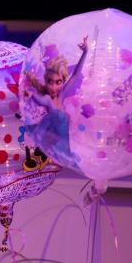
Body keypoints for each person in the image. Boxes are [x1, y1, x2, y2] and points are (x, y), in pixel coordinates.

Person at [23, 36, 89, 169]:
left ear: (63, 81)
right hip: (57, 141)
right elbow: (40, 99)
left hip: (64, 139)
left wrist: (85, 52)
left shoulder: (62, 95)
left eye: (58, 82)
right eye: (50, 82)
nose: (53, 87)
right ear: (46, 81)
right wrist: (31, 95)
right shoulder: (47, 100)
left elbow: (75, 75)